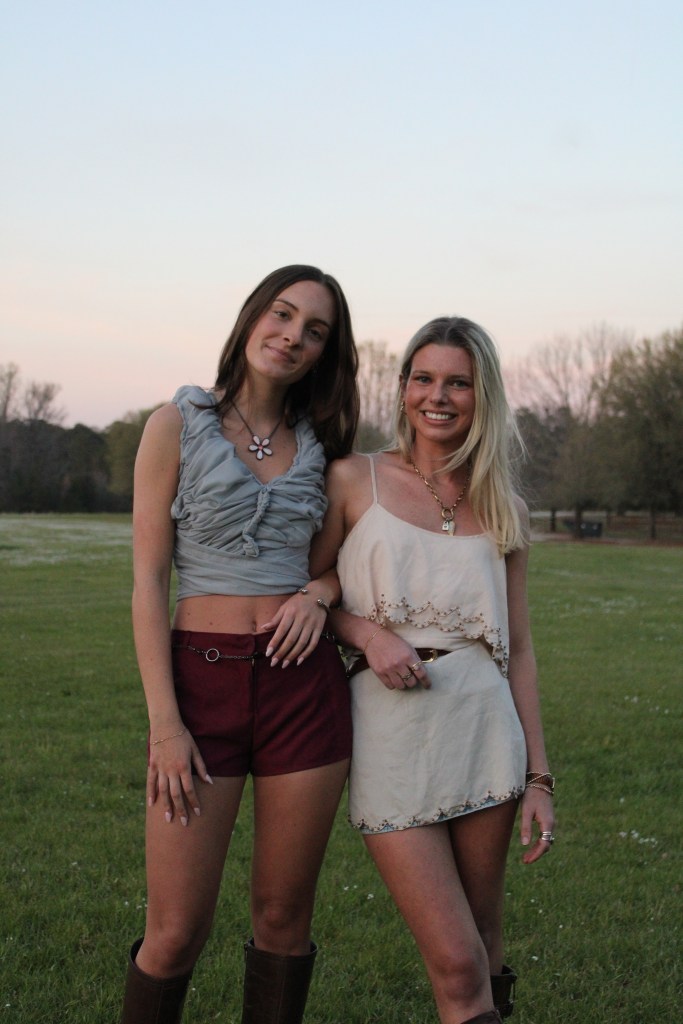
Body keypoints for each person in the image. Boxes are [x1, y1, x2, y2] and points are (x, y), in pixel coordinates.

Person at [119, 265, 360, 1024]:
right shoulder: (175, 424)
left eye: (314, 330)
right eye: (281, 314)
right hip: (200, 689)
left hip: (303, 688)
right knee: (174, 933)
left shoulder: (325, 447)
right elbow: (148, 581)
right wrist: (165, 724)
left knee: (283, 921)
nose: (291, 336)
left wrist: (318, 595)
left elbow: (340, 567)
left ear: (324, 353)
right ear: (252, 317)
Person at [309, 316, 556, 1024]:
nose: (437, 397)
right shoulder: (353, 478)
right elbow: (307, 592)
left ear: (484, 395)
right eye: (423, 379)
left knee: (483, 941)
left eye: (457, 383)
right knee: (455, 959)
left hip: (483, 729)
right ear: (402, 388)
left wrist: (539, 777)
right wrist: (367, 635)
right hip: (390, 736)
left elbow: (520, 648)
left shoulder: (505, 507)